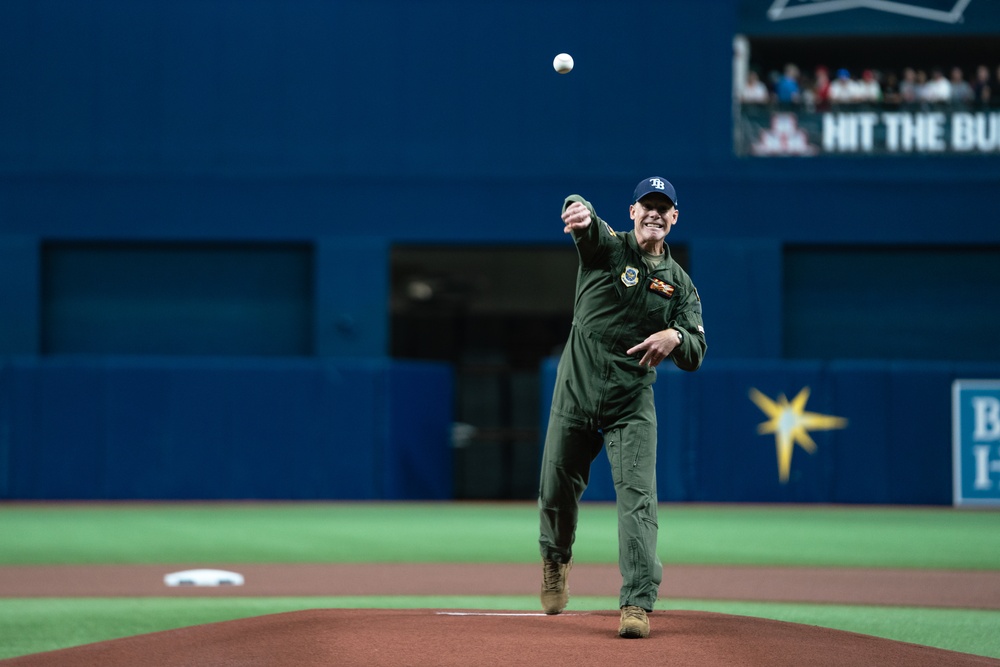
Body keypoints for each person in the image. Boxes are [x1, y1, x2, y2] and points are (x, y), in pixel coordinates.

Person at [537, 177, 707, 639]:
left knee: (638, 503)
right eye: (647, 205)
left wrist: (678, 336)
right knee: (555, 490)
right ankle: (555, 561)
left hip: (630, 405)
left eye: (663, 207)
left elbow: (696, 350)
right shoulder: (608, 249)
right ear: (632, 211)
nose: (655, 213)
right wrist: (579, 210)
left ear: (675, 217)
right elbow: (585, 218)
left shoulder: (680, 286)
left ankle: (636, 603)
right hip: (575, 393)